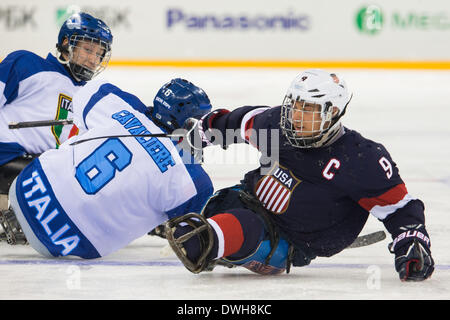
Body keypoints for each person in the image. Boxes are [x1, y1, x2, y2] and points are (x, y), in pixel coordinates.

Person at [165, 69, 435, 281]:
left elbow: (400, 208)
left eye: (308, 111)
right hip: (243, 198)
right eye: (295, 106)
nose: (296, 117)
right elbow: (239, 122)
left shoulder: (361, 158)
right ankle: (180, 220)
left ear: (332, 113)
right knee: (208, 200)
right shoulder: (276, 123)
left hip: (288, 240)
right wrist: (202, 132)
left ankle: (207, 237)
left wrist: (411, 242)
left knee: (240, 225)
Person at [0, 78, 214, 259]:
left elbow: (80, 100)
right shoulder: (193, 178)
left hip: (25, 187)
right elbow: (190, 240)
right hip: (67, 243)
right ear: (187, 123)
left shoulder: (114, 102)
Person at [0, 12, 113, 205]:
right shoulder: (28, 64)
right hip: (7, 158)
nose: (93, 60)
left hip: (41, 167)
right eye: (87, 49)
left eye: (99, 53)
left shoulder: (89, 97)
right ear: (66, 43)